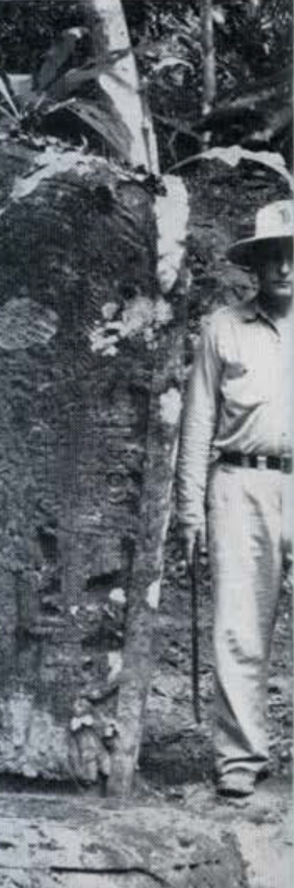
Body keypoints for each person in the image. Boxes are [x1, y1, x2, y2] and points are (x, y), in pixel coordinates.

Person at [177, 198, 293, 798]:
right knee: (239, 624)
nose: (284, 267)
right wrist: (189, 507)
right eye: (271, 256)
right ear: (254, 265)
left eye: (292, 254)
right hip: (239, 484)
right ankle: (240, 758)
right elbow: (197, 422)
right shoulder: (221, 328)